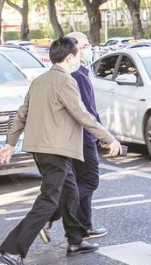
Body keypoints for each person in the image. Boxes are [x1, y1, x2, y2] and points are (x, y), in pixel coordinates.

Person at [0, 37, 122, 265]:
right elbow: (82, 114)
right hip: (55, 150)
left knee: (71, 191)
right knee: (49, 200)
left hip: (40, 149)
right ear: (71, 57)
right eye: (77, 54)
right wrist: (108, 138)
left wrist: (10, 143)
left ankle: (75, 240)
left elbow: (22, 113)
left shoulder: (39, 80)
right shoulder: (66, 81)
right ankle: (12, 249)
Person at [43, 32, 107, 242]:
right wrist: (103, 135)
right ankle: (51, 214)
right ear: (72, 51)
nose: (86, 50)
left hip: (78, 137)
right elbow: (86, 111)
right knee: (90, 181)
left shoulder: (77, 72)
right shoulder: (75, 76)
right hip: (83, 137)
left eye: (88, 45)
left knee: (81, 182)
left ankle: (84, 226)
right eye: (83, 46)